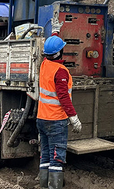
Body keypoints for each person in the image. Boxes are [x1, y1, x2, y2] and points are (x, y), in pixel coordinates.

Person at [37, 35, 82, 189]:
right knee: (57, 158)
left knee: (46, 155)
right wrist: (73, 117)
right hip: (55, 121)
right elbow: (63, 96)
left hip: (42, 119)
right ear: (59, 53)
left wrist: (55, 32)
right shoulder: (61, 71)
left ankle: (43, 186)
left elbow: (51, 48)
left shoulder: (44, 65)